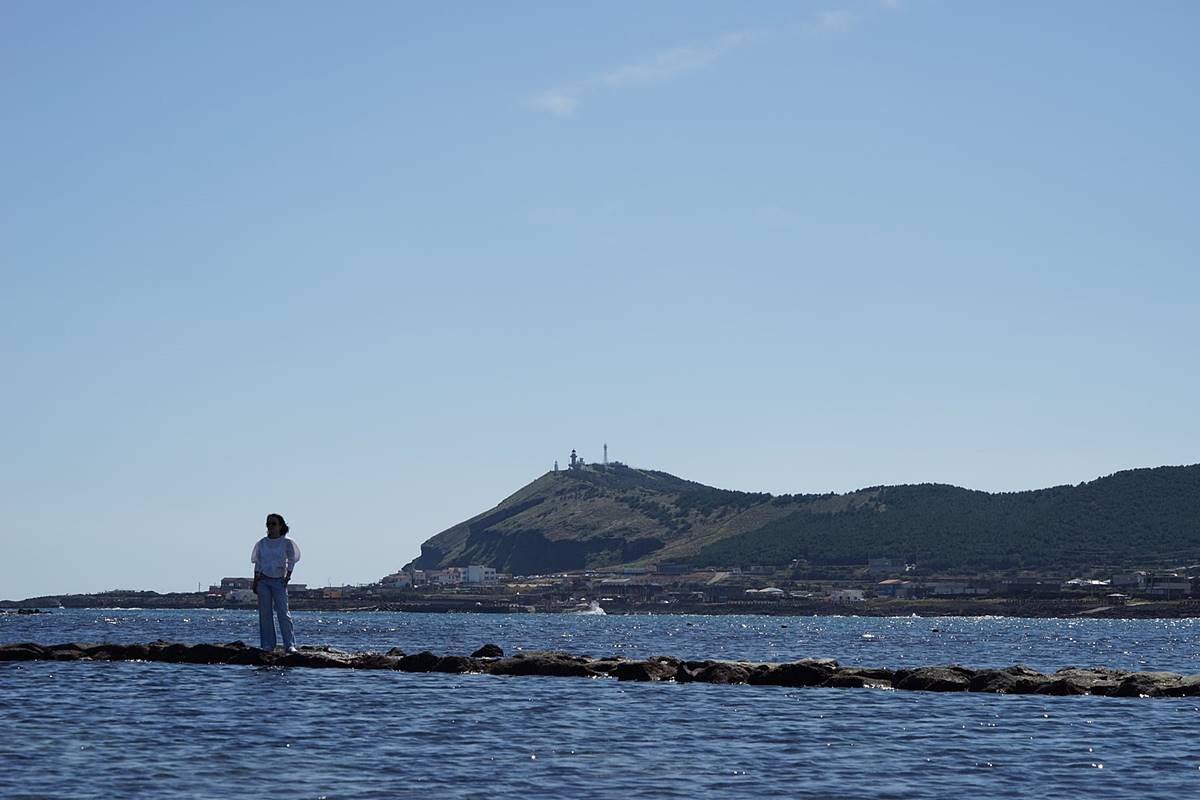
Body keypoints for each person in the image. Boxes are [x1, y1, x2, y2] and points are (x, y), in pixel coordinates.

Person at [251, 513, 301, 653]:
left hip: (279, 581)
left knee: (283, 613)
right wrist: (255, 581)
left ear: (280, 525)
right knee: (265, 614)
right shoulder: (262, 543)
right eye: (268, 524)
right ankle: (268, 644)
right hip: (263, 580)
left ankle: (289, 644)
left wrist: (288, 576)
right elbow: (258, 563)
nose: (270, 526)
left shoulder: (287, 542)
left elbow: (292, 559)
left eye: (273, 523)